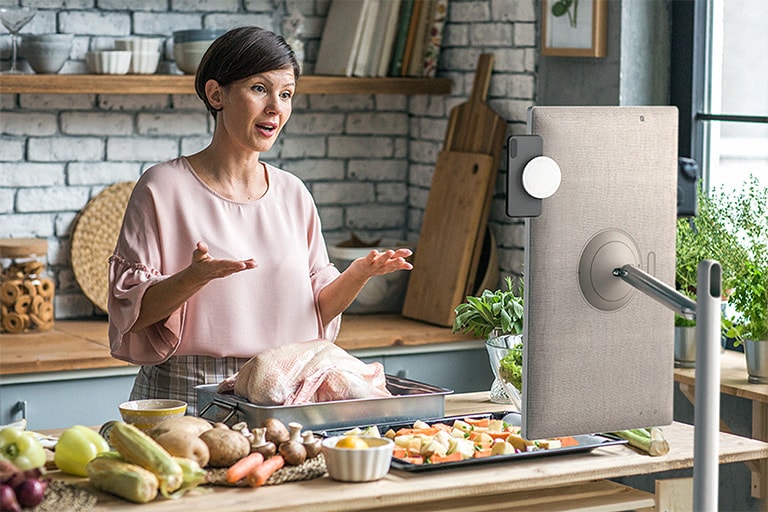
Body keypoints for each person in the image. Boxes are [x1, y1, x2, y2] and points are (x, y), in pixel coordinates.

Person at [107, 26, 413, 415]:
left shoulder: (293, 193)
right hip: (186, 396)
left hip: (283, 392)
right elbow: (132, 312)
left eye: (286, 94)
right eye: (259, 89)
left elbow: (316, 309)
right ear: (216, 94)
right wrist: (194, 277)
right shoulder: (162, 188)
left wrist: (357, 275)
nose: (276, 107)